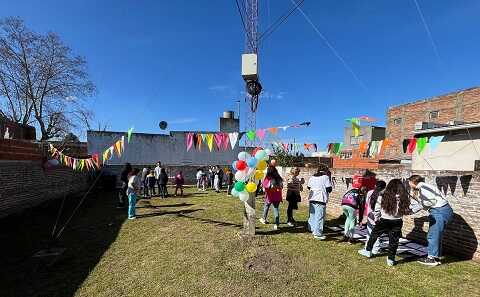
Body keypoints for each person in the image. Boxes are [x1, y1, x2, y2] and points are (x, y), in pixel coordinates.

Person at [358, 179, 411, 266]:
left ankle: (368, 250)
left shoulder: (382, 195)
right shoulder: (403, 197)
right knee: (394, 241)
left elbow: (377, 209)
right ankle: (391, 259)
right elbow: (408, 210)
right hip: (397, 221)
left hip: (384, 220)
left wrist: (376, 218)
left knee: (374, 235)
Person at [409, 175, 453, 266]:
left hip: (440, 212)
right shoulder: (424, 187)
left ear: (413, 182)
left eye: (409, 182)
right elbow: (425, 202)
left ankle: (432, 259)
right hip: (441, 211)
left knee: (433, 235)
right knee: (436, 235)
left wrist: (413, 210)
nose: (408, 184)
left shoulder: (423, 188)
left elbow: (429, 202)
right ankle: (436, 257)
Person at [360, 180, 387, 255]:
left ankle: (369, 248)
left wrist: (364, 216)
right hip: (378, 216)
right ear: (384, 187)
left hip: (370, 215)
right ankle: (376, 249)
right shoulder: (384, 194)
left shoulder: (369, 192)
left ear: (375, 186)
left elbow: (366, 205)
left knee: (370, 233)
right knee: (377, 234)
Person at [307, 165, 332, 240]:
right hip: (320, 198)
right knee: (319, 216)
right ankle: (317, 234)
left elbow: (308, 187)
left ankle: (312, 229)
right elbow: (329, 188)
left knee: (312, 215)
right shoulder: (325, 177)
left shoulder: (312, 177)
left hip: (312, 197)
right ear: (326, 170)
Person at [259, 165, 283, 230]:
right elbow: (281, 187)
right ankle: (276, 224)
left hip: (270, 196)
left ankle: (264, 219)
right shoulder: (279, 178)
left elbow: (265, 186)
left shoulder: (268, 178)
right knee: (275, 209)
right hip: (277, 196)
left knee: (266, 206)